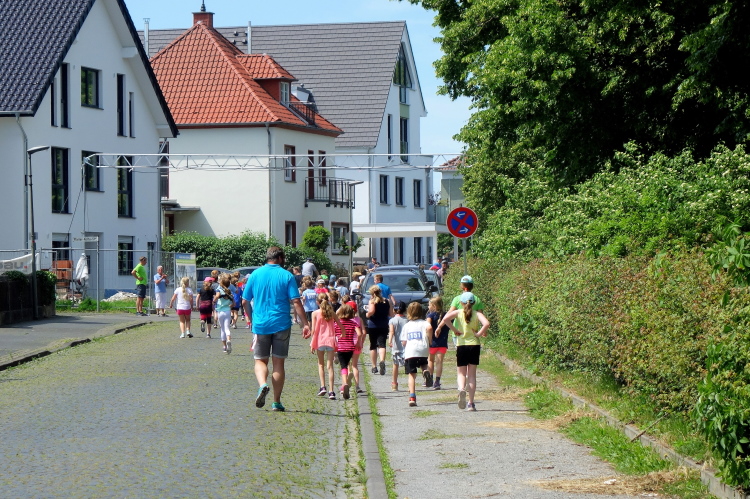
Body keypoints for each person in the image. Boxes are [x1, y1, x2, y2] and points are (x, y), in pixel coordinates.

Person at [242, 246, 310, 412]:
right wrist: (305, 323)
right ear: (280, 258)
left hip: (261, 324)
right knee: (278, 363)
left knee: (260, 360)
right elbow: (296, 301)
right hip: (281, 324)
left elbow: (244, 301)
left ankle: (262, 384)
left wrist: (252, 319)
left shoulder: (255, 274)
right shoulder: (287, 275)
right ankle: (276, 402)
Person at [437, 292, 490, 411]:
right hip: (474, 345)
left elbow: (445, 319)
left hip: (461, 345)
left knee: (461, 373)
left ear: (461, 303)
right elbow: (486, 323)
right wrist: (478, 334)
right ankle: (471, 403)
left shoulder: (458, 312)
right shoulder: (477, 314)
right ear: (474, 303)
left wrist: (454, 330)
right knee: (472, 375)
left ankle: (461, 389)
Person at [311, 293, 345, 400]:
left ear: (318, 302)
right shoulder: (332, 313)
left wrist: (312, 344)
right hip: (330, 341)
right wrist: (342, 335)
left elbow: (313, 331)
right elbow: (341, 327)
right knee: (330, 367)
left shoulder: (315, 313)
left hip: (320, 341)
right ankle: (331, 391)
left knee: (320, 364)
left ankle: (322, 387)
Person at [400, 301, 433, 407]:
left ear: (408, 312)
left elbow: (404, 342)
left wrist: (405, 344)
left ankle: (412, 397)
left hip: (411, 351)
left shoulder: (407, 325)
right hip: (423, 349)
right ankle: (425, 371)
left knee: (412, 375)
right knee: (423, 363)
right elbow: (429, 328)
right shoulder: (424, 323)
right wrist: (430, 340)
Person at [334, 303, 363, 400]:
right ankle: (347, 382)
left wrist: (335, 344)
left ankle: (345, 384)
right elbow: (359, 334)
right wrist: (358, 343)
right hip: (350, 347)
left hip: (341, 347)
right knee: (348, 364)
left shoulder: (337, 323)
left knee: (343, 366)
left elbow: (333, 334)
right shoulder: (353, 323)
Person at [366, 285, 392, 376]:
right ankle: (382, 361)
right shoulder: (387, 301)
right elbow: (391, 313)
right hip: (383, 324)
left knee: (373, 345)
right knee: (382, 344)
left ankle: (374, 366)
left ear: (372, 293)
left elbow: (372, 311)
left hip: (373, 325)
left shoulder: (372, 301)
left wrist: (367, 314)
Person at [426, 296, 450, 390]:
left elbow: (427, 326)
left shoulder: (430, 316)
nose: (428, 307)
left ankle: (430, 379)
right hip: (443, 342)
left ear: (433, 306)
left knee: (430, 360)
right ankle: (437, 382)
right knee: (439, 362)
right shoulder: (446, 315)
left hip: (432, 342)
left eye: (429, 305)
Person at [388, 301, 408, 391]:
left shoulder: (392, 320)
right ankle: (410, 384)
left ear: (394, 310)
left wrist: (389, 341)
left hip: (396, 346)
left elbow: (391, 331)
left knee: (395, 365)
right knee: (408, 365)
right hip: (406, 346)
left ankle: (394, 384)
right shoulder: (407, 320)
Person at [213, 273, 234, 354]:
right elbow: (234, 303)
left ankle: (224, 346)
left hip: (220, 311)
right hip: (227, 311)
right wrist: (230, 305)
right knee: (227, 328)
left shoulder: (219, 290)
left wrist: (214, 301)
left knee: (222, 329)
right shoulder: (229, 292)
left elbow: (217, 296)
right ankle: (228, 340)